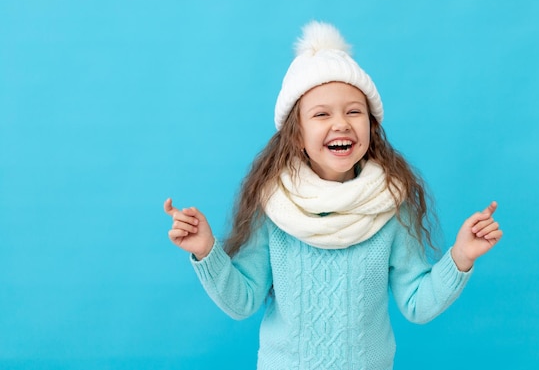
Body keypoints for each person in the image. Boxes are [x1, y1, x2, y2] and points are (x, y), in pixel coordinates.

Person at [164, 21, 503, 370]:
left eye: (353, 111)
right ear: (296, 134)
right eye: (321, 114)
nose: (340, 123)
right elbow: (243, 301)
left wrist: (460, 257)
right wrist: (206, 251)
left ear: (371, 126)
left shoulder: (389, 206)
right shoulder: (275, 207)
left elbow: (417, 303)